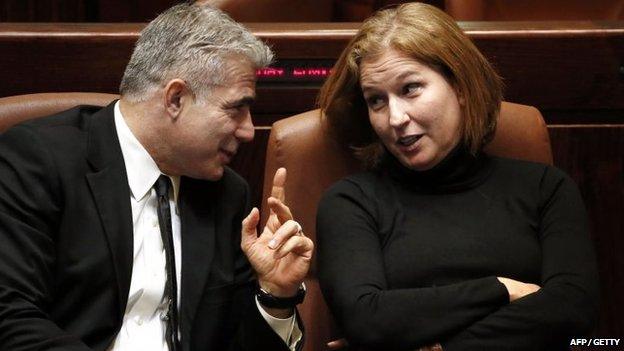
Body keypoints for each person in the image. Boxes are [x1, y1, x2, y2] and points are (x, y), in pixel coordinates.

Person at [0, 3, 313, 351]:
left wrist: (275, 294)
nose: (248, 131)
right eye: (235, 109)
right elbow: (11, 316)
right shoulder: (39, 160)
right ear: (175, 98)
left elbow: (234, 341)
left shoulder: (226, 195)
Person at [316, 3, 599, 350]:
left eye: (410, 89)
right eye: (376, 100)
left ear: (461, 87)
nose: (394, 118)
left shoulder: (546, 188)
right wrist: (501, 289)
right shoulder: (351, 201)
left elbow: (574, 312)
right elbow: (367, 320)